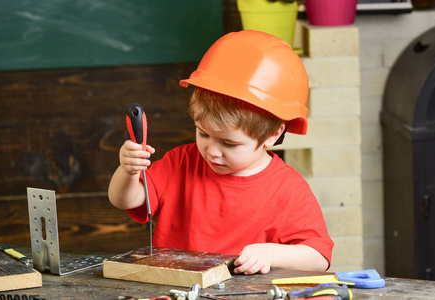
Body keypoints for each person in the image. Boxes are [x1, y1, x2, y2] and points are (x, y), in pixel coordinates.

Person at [108, 30, 333, 275]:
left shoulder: (289, 189)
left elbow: (319, 257)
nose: (212, 151)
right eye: (203, 134)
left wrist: (270, 253)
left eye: (229, 143)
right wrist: (128, 171)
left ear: (273, 134)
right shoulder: (180, 162)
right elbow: (125, 200)